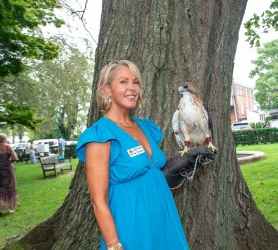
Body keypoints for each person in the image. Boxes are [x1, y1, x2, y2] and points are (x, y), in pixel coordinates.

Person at [76, 60, 193, 250]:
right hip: (131, 225)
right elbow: (98, 201)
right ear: (107, 89)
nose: (132, 88)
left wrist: (180, 166)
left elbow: (150, 173)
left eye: (135, 82)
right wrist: (114, 245)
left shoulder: (145, 127)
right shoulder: (100, 136)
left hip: (164, 218)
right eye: (123, 82)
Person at [0, 133, 19, 215]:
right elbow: (14, 157)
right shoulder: (7, 147)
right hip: (8, 170)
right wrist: (9, 162)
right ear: (5, 139)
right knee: (10, 188)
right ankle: (9, 208)